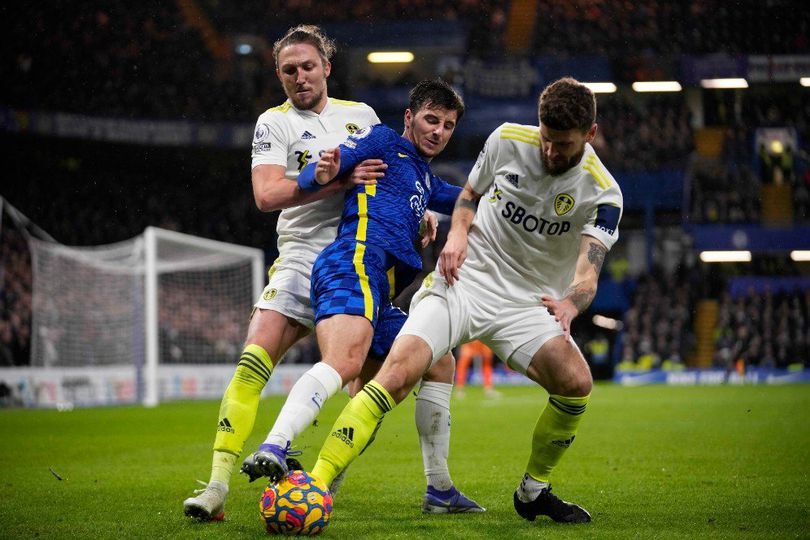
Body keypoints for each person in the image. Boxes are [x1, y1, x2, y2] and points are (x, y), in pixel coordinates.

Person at [308, 77, 623, 524]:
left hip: (528, 303)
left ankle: (533, 491)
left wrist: (571, 304)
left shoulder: (604, 193)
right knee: (396, 375)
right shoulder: (507, 139)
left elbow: (587, 272)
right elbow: (470, 196)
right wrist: (456, 236)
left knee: (576, 383)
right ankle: (318, 484)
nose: (551, 152)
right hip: (464, 279)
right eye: (547, 140)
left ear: (590, 135)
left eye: (564, 146)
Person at [182, 25, 436, 521]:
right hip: (300, 256)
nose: (300, 77)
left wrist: (416, 209)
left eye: (308, 66)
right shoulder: (273, 123)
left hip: (357, 256)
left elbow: (398, 173)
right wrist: (335, 182)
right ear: (279, 76)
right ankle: (215, 489)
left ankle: (325, 483)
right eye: (289, 70)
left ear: (327, 67)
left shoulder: (360, 116)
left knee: (370, 381)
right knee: (253, 360)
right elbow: (266, 195)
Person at [241, 79, 484, 514]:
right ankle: (275, 445)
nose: (438, 132)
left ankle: (438, 489)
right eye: (431, 119)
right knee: (345, 362)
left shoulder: (426, 179)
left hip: (378, 290)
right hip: (352, 261)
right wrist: (326, 167)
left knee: (438, 360)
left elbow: (470, 199)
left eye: (448, 126)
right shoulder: (384, 141)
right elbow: (334, 164)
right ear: (410, 118)